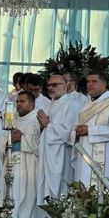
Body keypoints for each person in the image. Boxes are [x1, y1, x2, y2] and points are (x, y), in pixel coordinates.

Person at [72, 73, 109, 186]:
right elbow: (76, 127)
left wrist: (89, 130)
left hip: (106, 159)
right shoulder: (86, 106)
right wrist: (76, 132)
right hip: (84, 158)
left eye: (94, 81)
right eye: (88, 81)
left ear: (104, 84)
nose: (90, 84)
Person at [0, 91, 40, 218]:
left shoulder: (37, 120)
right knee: (8, 192)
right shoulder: (11, 119)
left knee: (25, 194)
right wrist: (10, 138)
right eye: (17, 101)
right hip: (11, 162)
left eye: (23, 101)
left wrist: (21, 138)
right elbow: (1, 141)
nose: (19, 104)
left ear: (32, 103)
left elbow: (40, 145)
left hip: (28, 163)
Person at [36, 74, 81, 202]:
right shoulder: (48, 105)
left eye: (54, 85)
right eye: (49, 85)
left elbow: (69, 132)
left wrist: (48, 125)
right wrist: (40, 127)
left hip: (61, 156)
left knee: (60, 192)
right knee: (44, 191)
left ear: (65, 86)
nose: (50, 88)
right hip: (46, 154)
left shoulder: (72, 105)